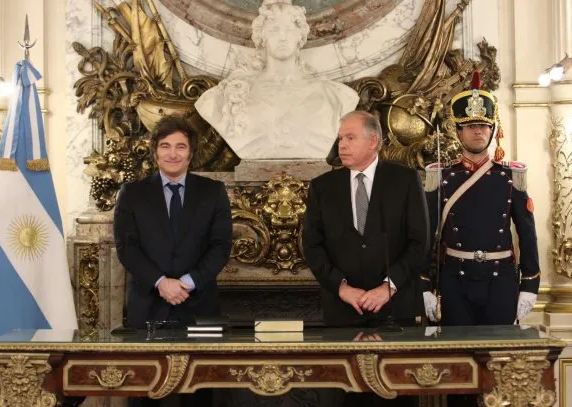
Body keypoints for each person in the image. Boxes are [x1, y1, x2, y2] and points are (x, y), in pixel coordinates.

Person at [303, 110, 429, 407]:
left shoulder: (405, 180)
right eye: (340, 138)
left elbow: (420, 242)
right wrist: (342, 288)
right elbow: (312, 247)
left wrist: (388, 287)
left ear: (373, 141)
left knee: (396, 395)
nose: (342, 145)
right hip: (343, 313)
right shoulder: (322, 187)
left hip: (394, 312)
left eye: (350, 138)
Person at [114, 116, 232, 407]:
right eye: (165, 146)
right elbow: (127, 248)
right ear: (155, 151)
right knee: (145, 390)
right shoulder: (132, 193)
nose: (173, 153)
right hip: (148, 306)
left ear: (191, 152)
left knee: (199, 392)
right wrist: (161, 283)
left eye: (181, 146)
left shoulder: (213, 191)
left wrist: (187, 283)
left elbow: (220, 247)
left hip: (199, 306)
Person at [421, 73, 540, 328]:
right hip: (455, 280)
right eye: (471, 126)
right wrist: (424, 284)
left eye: (484, 125)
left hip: (501, 280)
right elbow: (426, 235)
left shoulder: (511, 176)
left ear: (493, 130)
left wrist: (530, 284)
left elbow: (527, 234)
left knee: (498, 349)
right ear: (459, 131)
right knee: (458, 349)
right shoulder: (440, 176)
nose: (478, 131)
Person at [195, 0, 359, 160]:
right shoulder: (230, 95)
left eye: (289, 29)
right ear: (262, 36)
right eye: (274, 30)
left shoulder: (336, 95)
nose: (283, 37)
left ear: (300, 36)